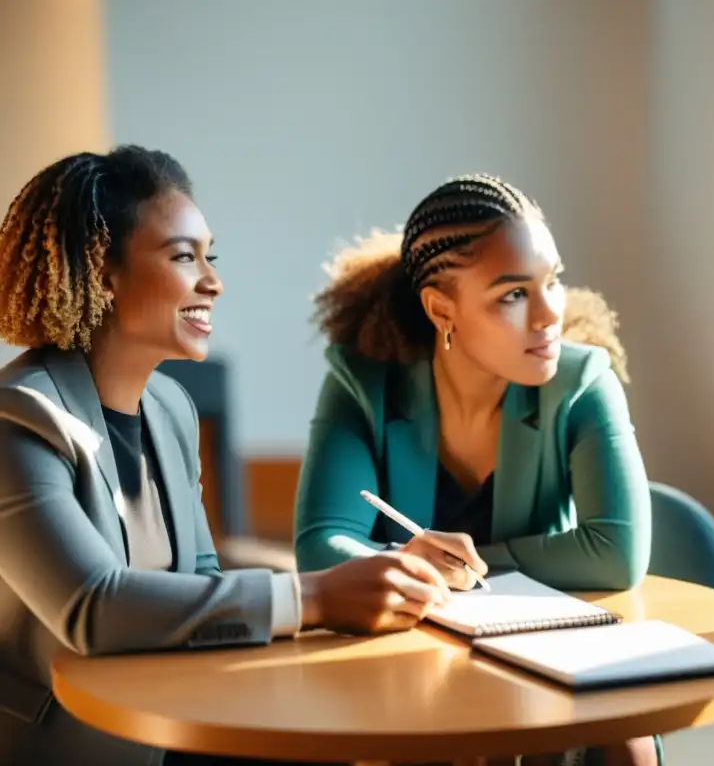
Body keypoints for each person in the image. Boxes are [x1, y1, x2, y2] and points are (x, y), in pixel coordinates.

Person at [0, 146, 451, 766]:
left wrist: (376, 576)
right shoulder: (20, 419)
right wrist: (313, 596)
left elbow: (203, 584)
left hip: (175, 721)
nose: (213, 281)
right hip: (74, 747)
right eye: (184, 257)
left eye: (210, 256)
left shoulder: (169, 410)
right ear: (102, 271)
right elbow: (91, 610)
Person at [294, 174, 657, 766]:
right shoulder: (362, 382)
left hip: (542, 654)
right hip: (404, 661)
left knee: (626, 744)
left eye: (553, 282)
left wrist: (453, 566)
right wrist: (407, 565)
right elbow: (320, 547)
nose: (549, 316)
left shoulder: (585, 381)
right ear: (442, 309)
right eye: (513, 295)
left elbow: (616, 551)